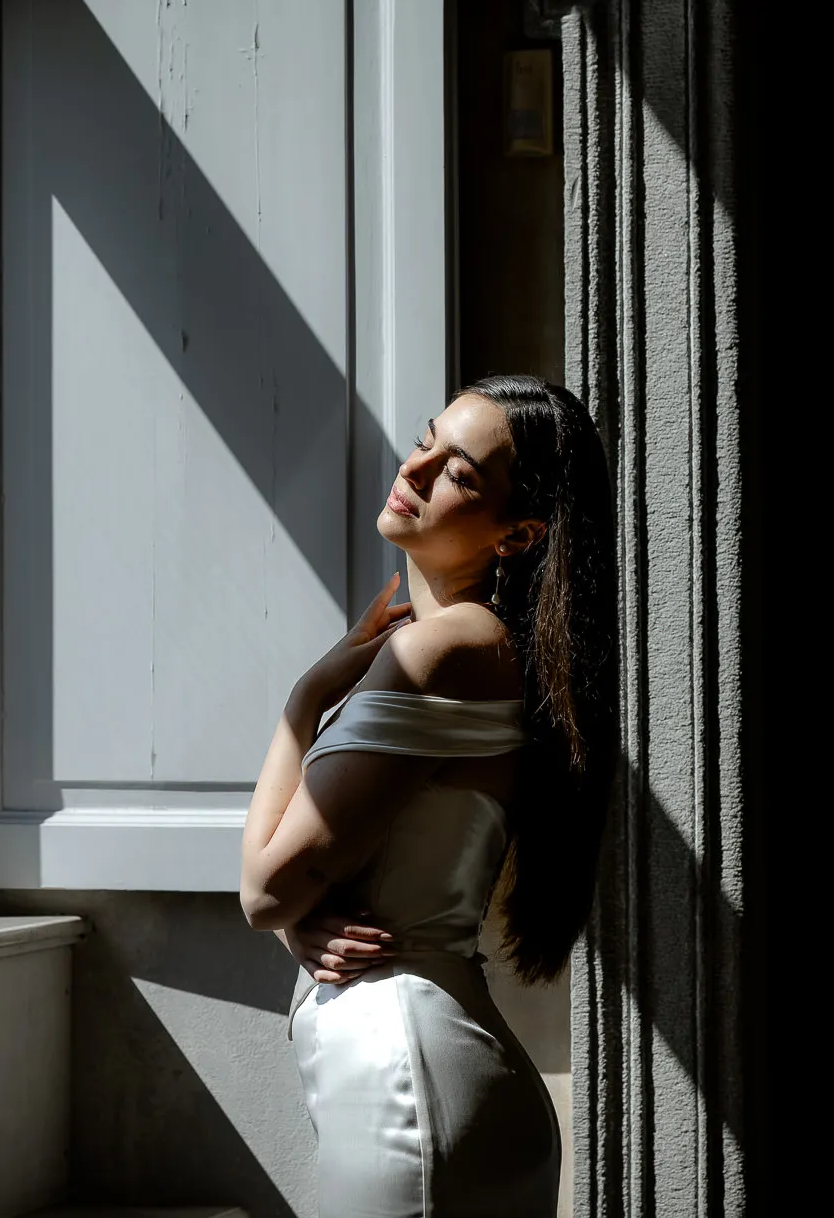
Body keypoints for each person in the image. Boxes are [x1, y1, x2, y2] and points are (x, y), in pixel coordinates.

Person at [240, 374, 619, 1216]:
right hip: (415, 1079)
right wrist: (306, 920)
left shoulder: (443, 650)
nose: (414, 470)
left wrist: (304, 702)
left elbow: (265, 887)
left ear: (518, 535)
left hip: (406, 1093)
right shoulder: (461, 647)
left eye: (459, 473)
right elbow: (309, 889)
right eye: (426, 441)